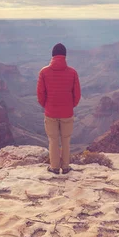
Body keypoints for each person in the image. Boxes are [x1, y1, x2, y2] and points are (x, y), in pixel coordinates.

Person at [37, 43, 81, 174]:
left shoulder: (44, 72)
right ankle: (66, 167)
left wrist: (47, 106)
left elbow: (40, 94)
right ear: (65, 56)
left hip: (50, 112)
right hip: (67, 112)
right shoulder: (72, 72)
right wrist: (69, 105)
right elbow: (77, 95)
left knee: (53, 140)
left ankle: (54, 167)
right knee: (66, 140)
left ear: (52, 55)